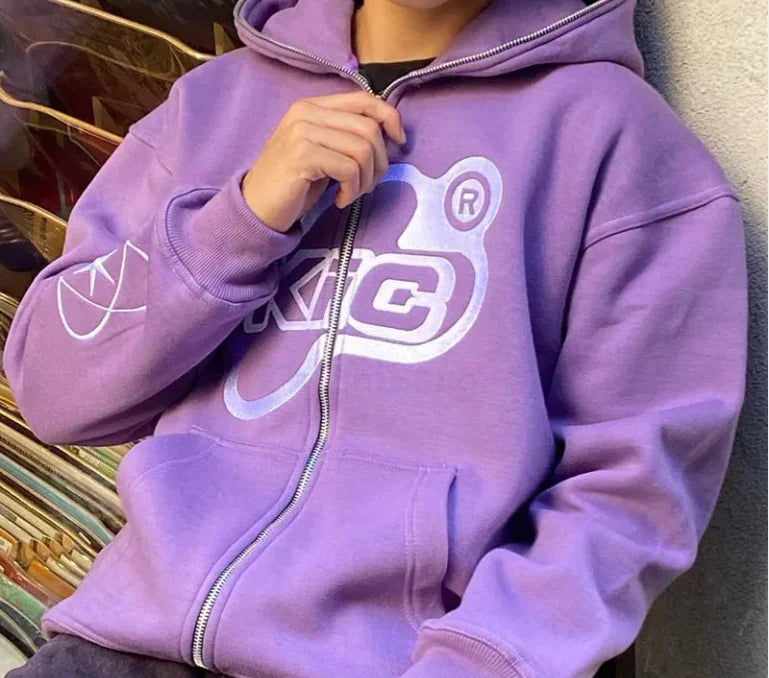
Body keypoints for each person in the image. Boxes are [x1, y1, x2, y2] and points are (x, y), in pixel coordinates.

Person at [3, 0, 748, 676]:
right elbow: (54, 392)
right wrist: (239, 220)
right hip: (116, 648)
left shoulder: (618, 143)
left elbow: (629, 492)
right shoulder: (206, 107)